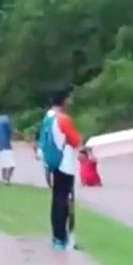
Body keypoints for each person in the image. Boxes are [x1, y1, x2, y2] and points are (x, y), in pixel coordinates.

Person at [36, 87, 81, 251]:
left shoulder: (47, 117)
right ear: (64, 100)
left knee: (56, 199)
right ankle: (62, 239)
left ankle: (57, 237)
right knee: (64, 201)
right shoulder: (63, 119)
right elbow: (75, 140)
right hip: (65, 164)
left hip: (52, 163)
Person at [0, 113, 15, 185]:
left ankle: (4, 179)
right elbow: (9, 132)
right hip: (6, 145)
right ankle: (7, 179)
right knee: (12, 165)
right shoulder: (6, 122)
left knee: (4, 164)